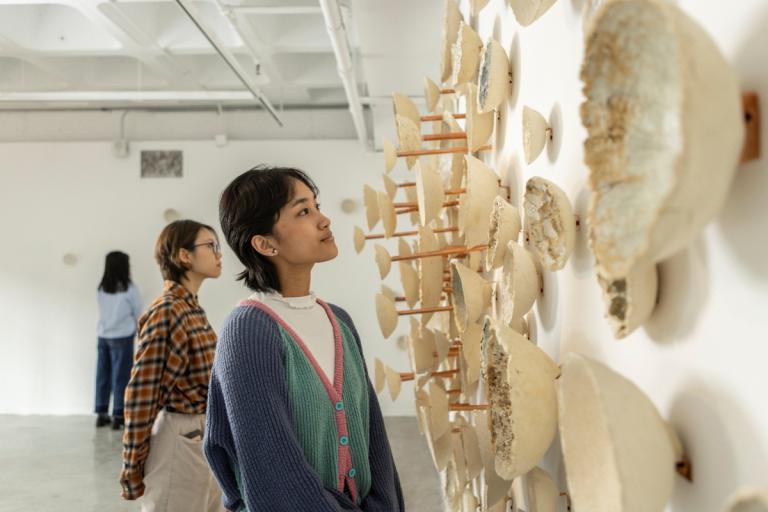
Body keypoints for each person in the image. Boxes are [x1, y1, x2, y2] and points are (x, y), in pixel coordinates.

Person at [204, 165, 404, 512]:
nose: (324, 220)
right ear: (265, 244)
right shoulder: (248, 332)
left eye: (317, 206)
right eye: (303, 211)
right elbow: (273, 470)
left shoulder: (338, 320)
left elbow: (373, 438)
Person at [119, 219, 225, 512]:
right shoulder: (168, 310)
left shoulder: (189, 306)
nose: (219, 254)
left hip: (200, 435)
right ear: (184, 256)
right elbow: (143, 394)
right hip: (181, 437)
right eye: (210, 246)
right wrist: (132, 465)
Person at [95, 251, 142, 430]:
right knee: (121, 377)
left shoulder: (102, 288)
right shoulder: (129, 288)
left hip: (103, 335)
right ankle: (118, 415)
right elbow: (138, 311)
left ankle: (101, 413)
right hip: (122, 336)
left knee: (103, 375)